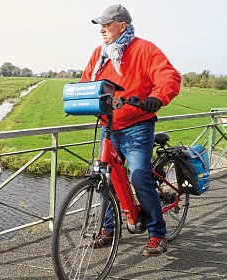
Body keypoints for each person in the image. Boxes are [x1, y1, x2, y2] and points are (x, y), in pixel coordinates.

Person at [80, 4, 181, 256]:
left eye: (106, 24)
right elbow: (86, 83)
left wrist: (157, 96)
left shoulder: (144, 49)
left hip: (137, 125)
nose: (101, 30)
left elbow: (169, 76)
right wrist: (79, 98)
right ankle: (108, 230)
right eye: (100, 26)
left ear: (122, 25)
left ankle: (158, 234)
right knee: (106, 177)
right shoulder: (99, 55)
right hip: (108, 126)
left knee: (138, 176)